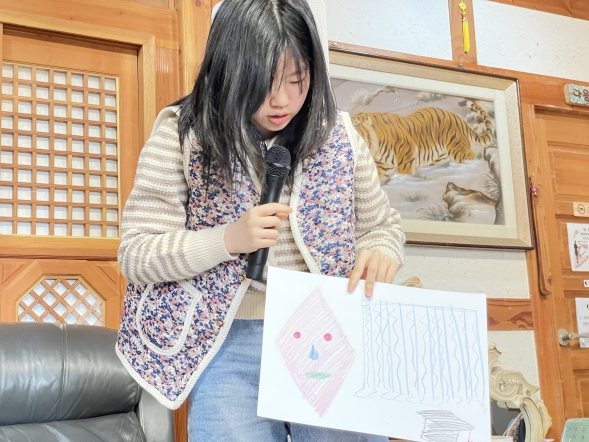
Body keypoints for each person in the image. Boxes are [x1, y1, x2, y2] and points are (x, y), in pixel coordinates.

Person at [115, 0, 405, 440]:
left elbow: (382, 226)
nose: (282, 100)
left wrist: (381, 249)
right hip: (228, 343)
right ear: (228, 70)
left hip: (327, 332)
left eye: (297, 79)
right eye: (263, 83)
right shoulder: (181, 132)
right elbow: (137, 253)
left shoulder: (340, 135)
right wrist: (226, 240)